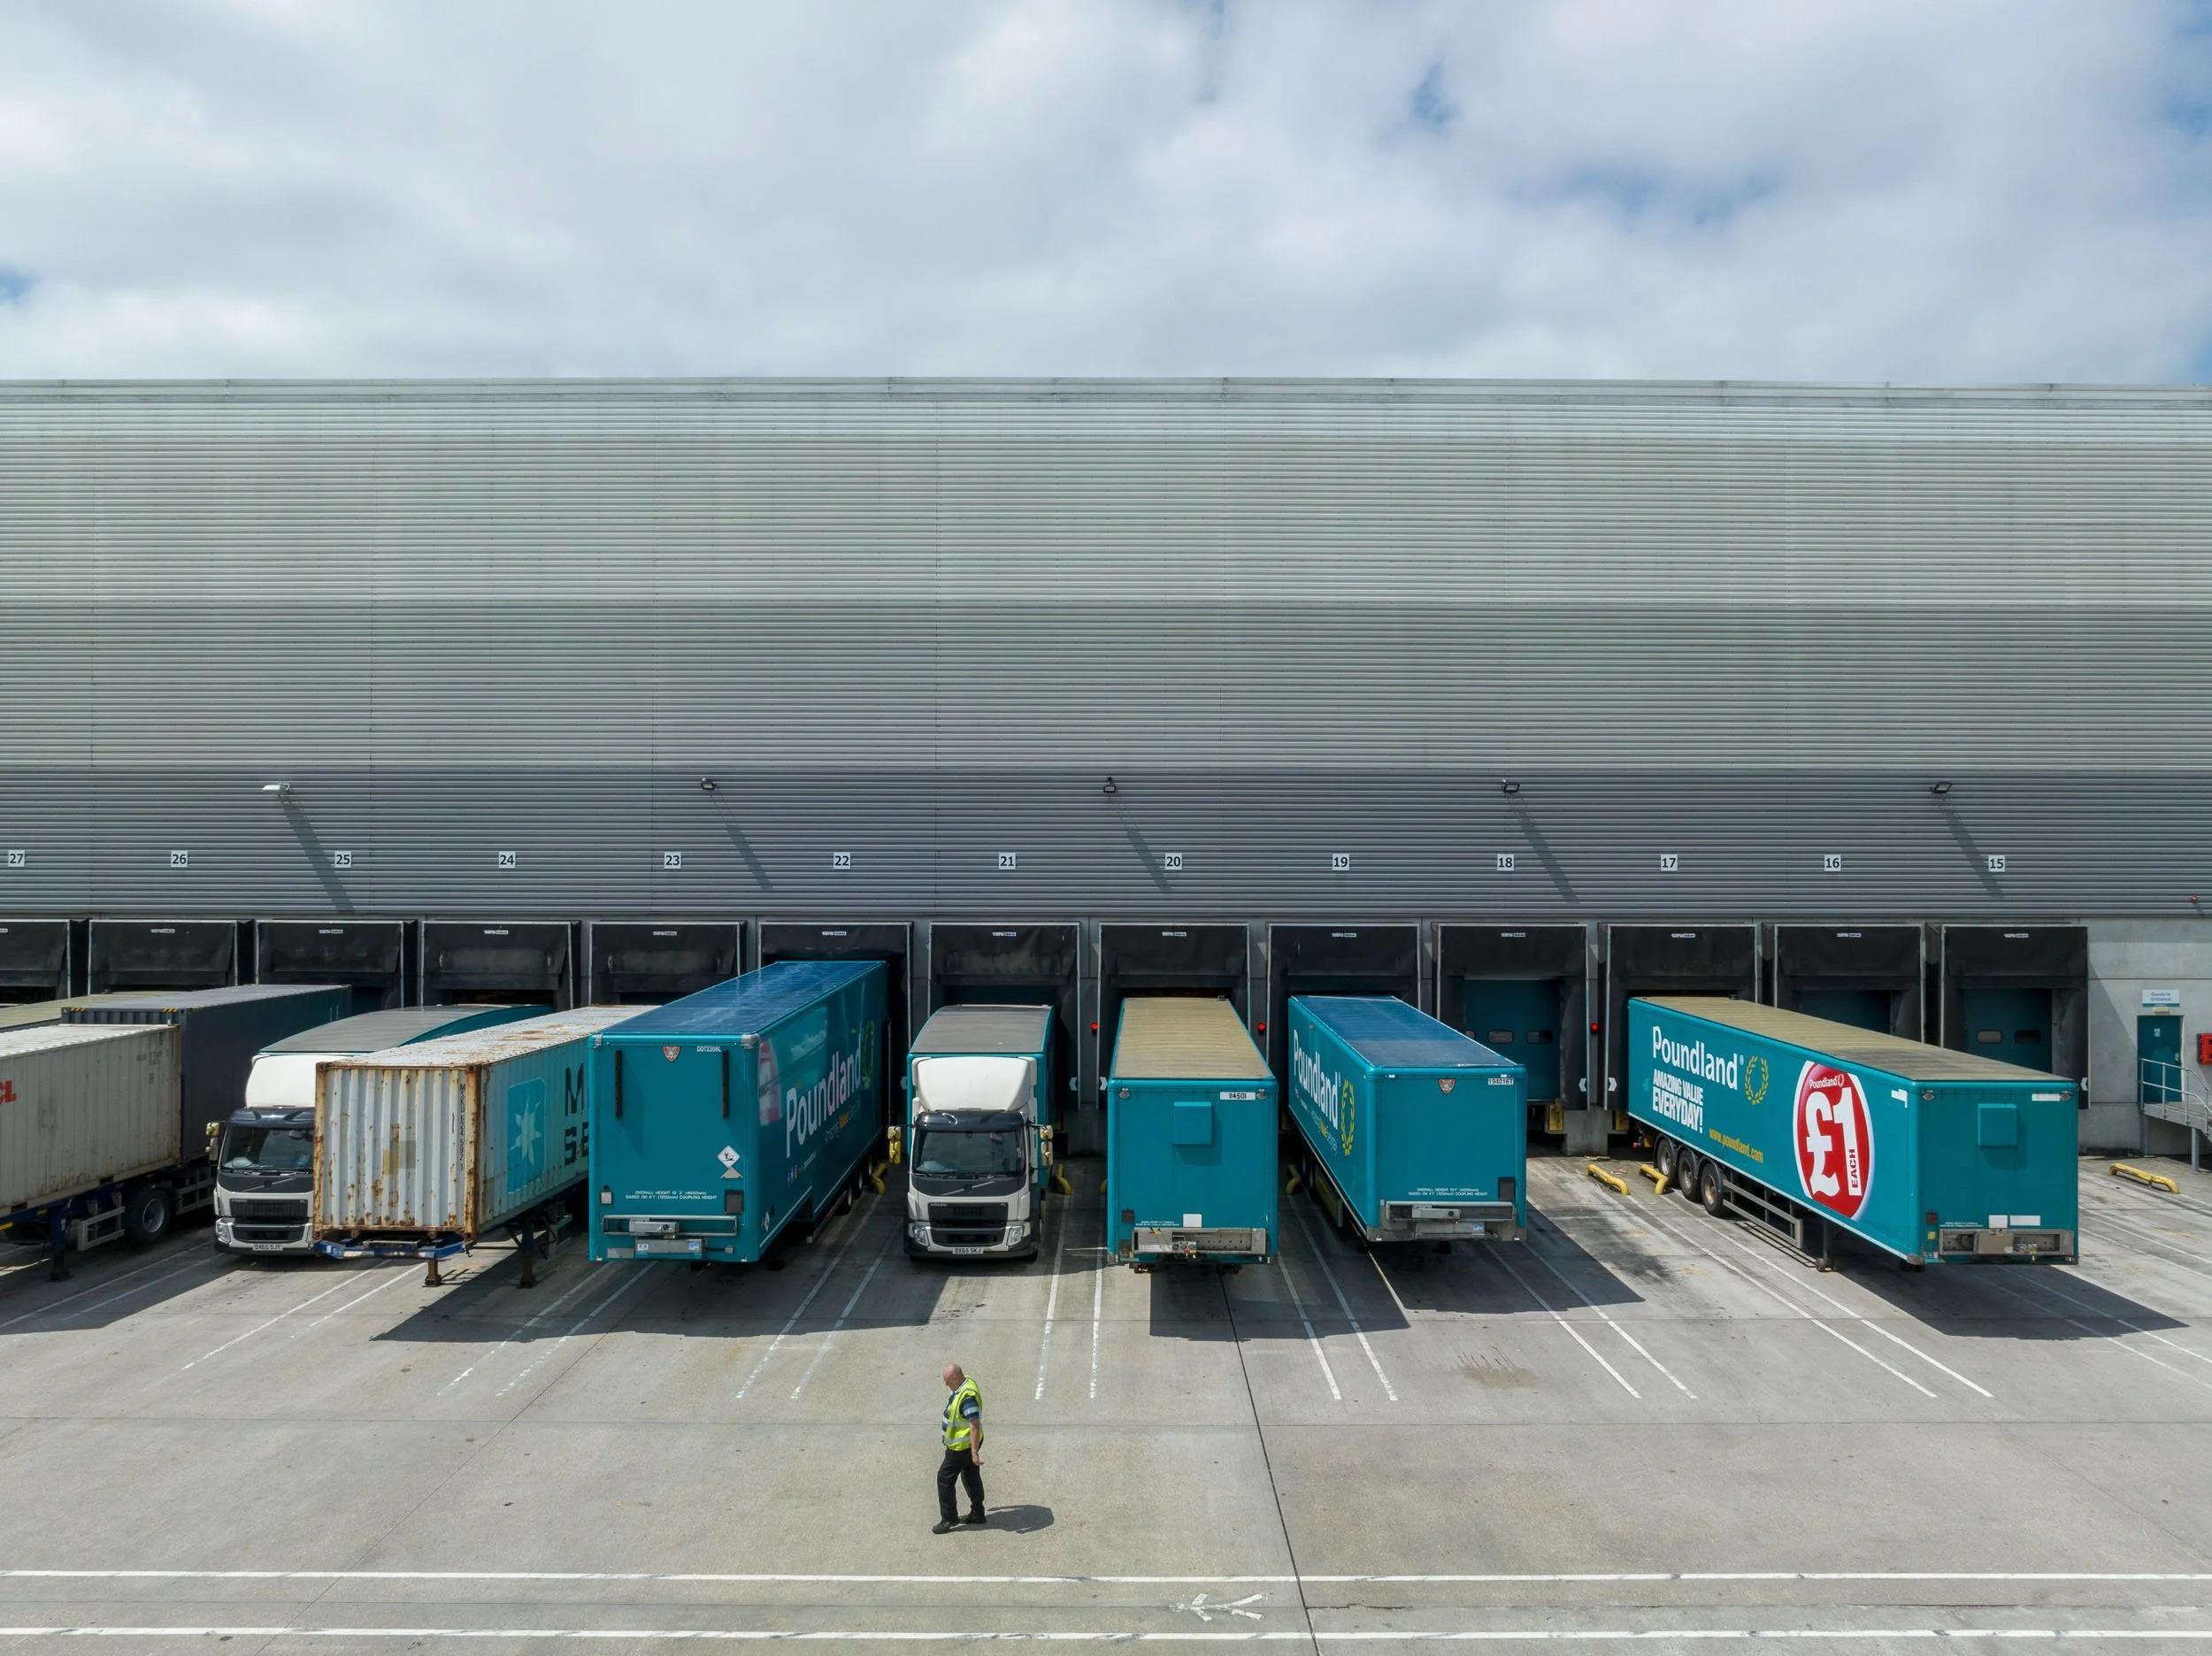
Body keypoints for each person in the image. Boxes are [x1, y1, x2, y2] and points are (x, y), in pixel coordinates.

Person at [933, 1362, 985, 1534]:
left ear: (955, 1377)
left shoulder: (967, 1398)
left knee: (944, 1479)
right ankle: (978, 1512)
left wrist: (974, 1453)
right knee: (971, 1475)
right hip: (967, 1445)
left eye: (948, 1381)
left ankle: (949, 1518)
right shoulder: (966, 1382)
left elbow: (974, 1425)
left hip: (961, 1447)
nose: (946, 1385)